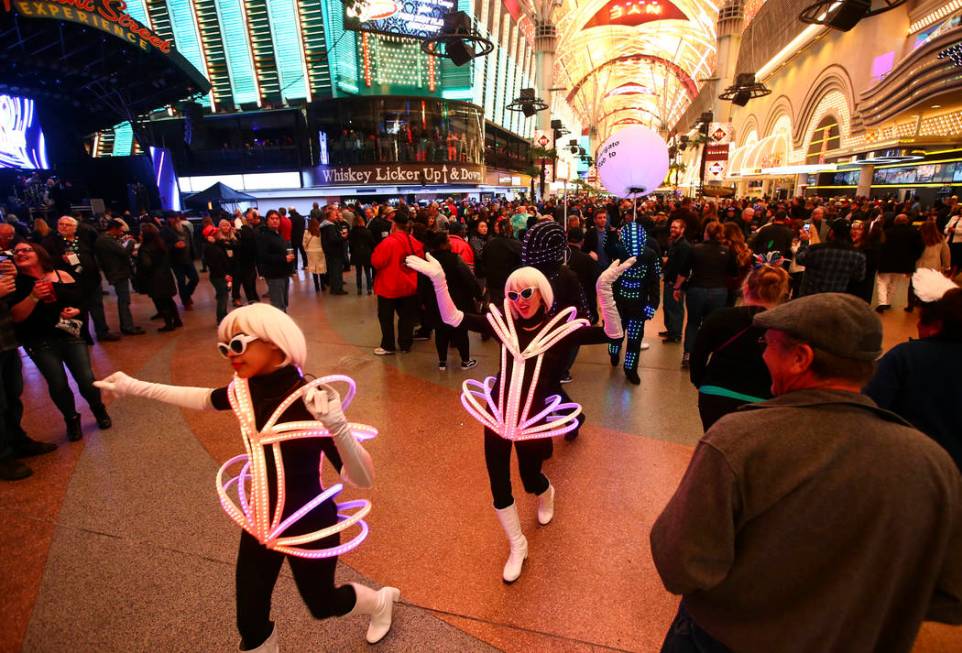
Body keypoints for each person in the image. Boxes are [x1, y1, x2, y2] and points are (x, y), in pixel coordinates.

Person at [652, 292, 962, 653]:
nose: (763, 355)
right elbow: (949, 595)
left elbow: (680, 564)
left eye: (769, 346)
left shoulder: (740, 440)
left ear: (801, 358)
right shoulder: (931, 464)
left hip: (723, 641)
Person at [93, 304, 401, 650]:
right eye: (224, 348)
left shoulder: (309, 401)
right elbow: (200, 398)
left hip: (308, 522)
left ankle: (380, 602)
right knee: (250, 620)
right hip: (260, 521)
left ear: (274, 343)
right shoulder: (243, 391)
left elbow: (361, 479)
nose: (230, 356)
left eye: (237, 345)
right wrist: (131, 384)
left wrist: (338, 425)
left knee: (323, 603)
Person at [407, 254, 633, 582]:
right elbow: (453, 318)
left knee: (530, 478)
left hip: (534, 422)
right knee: (499, 485)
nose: (520, 301)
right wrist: (439, 280)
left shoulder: (561, 330)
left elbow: (613, 335)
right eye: (513, 295)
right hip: (498, 417)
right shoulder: (503, 326)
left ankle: (546, 492)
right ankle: (517, 544)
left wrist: (604, 289)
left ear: (542, 293)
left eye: (527, 293)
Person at [9, 242, 111, 441]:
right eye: (16, 251)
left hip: (69, 334)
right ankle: (71, 419)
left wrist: (77, 310)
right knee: (57, 384)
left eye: (26, 250)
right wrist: (33, 296)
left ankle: (99, 410)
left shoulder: (60, 274)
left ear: (39, 254)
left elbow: (82, 299)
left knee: (86, 379)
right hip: (39, 341)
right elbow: (17, 317)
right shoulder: (16, 284)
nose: (20, 253)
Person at [865, 269, 962, 471]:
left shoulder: (906, 357)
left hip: (908, 463)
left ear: (935, 325)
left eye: (922, 319)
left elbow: (870, 406)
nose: (917, 325)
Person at [689, 261, 790, 431]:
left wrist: (702, 382)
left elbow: (697, 354)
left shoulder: (720, 317)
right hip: (763, 401)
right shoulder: (785, 326)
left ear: (745, 289)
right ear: (781, 294)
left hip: (716, 394)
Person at [0, 258, 57, 480]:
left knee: (13, 395)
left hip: (6, 340)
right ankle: (3, 457)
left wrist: (12, 278)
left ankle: (17, 441)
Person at [44, 216, 120, 342]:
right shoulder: (52, 242)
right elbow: (46, 261)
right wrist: (60, 259)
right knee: (76, 309)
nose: (63, 227)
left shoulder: (83, 239)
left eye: (67, 225)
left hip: (91, 280)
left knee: (97, 306)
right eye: (61, 224)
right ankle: (82, 336)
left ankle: (102, 332)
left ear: (75, 228)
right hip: (71, 283)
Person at [674, 221, 738, 369]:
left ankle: (688, 354)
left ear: (706, 233)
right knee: (711, 324)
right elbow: (734, 273)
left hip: (696, 290)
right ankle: (707, 356)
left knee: (693, 323)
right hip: (718, 291)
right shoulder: (727, 251)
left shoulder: (695, 249)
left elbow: (684, 272)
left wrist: (677, 287)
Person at [606, 221, 660, 385]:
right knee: (616, 336)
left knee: (635, 340)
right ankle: (614, 352)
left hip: (639, 305)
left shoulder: (650, 255)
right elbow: (610, 278)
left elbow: (654, 282)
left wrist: (652, 305)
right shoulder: (618, 251)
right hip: (619, 305)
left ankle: (630, 369)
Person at [417, 232, 480, 370]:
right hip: (457, 301)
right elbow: (468, 279)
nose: (450, 243)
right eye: (447, 241)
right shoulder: (455, 259)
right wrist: (477, 294)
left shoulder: (428, 261)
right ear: (442, 244)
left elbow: (421, 283)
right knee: (460, 331)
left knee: (440, 331)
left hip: (435, 302)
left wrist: (422, 301)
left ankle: (442, 362)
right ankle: (465, 361)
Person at [371, 210, 424, 355]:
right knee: (407, 318)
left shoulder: (388, 242)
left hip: (389, 288)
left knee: (386, 318)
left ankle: (388, 345)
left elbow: (376, 262)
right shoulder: (416, 243)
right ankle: (405, 345)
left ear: (394, 224)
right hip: (409, 286)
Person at [94, 219, 145, 336]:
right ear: (114, 229)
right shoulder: (106, 240)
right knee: (124, 300)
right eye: (120, 230)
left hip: (116, 272)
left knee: (124, 300)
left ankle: (127, 325)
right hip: (118, 273)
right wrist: (131, 243)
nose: (122, 232)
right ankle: (127, 326)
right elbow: (123, 252)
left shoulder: (105, 239)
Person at [796, 219, 866, 296]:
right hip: (835, 298)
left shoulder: (816, 249)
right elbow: (859, 277)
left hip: (811, 296)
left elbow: (799, 259)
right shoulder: (858, 255)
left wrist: (804, 242)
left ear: (831, 232)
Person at [137, 224, 182, 332]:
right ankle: (177, 320)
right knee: (169, 300)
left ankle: (168, 325)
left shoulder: (145, 248)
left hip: (155, 278)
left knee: (162, 302)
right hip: (166, 275)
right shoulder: (161, 244)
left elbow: (146, 264)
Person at [876, 214, 925, 312]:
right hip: (904, 264)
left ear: (895, 221)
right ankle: (888, 302)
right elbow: (920, 248)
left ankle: (882, 302)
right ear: (907, 221)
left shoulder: (888, 232)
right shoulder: (914, 232)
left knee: (882, 282)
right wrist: (913, 258)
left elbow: (880, 247)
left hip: (887, 262)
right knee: (894, 283)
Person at [908, 220, 951, 312]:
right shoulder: (940, 238)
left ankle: (911, 305)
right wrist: (947, 265)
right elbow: (946, 253)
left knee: (913, 285)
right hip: (934, 265)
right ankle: (926, 304)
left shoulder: (920, 238)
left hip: (920, 264)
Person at [256, 211, 295, 312]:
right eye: (272, 218)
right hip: (274, 275)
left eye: (277, 218)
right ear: (267, 221)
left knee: (284, 302)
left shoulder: (278, 234)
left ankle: (283, 323)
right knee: (278, 305)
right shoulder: (264, 236)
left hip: (283, 273)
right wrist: (283, 258)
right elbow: (263, 256)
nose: (275, 221)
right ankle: (279, 326)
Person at [660, 219, 690, 344]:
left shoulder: (684, 246)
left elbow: (683, 268)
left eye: (676, 228)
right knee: (667, 307)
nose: (672, 229)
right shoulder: (675, 243)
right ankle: (670, 329)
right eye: (672, 227)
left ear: (682, 230)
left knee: (675, 308)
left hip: (676, 283)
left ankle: (676, 334)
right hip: (669, 280)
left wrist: (677, 285)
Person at [160, 214, 199, 311]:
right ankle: (186, 301)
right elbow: (163, 246)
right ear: (168, 220)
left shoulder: (185, 228)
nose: (176, 220)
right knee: (181, 282)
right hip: (176, 261)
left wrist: (194, 253)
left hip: (188, 258)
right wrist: (174, 246)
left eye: (177, 218)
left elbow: (190, 241)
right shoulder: (165, 231)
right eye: (173, 218)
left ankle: (186, 295)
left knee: (195, 279)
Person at [203, 225, 232, 325]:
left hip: (220, 275)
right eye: (216, 233)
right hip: (218, 276)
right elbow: (214, 265)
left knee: (223, 296)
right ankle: (221, 319)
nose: (219, 233)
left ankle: (223, 316)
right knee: (222, 298)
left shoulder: (215, 245)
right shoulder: (210, 248)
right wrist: (225, 275)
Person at [233, 212, 260, 306]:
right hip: (250, 263)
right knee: (250, 282)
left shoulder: (241, 237)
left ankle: (251, 299)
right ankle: (253, 298)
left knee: (245, 282)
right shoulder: (251, 232)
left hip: (243, 264)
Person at [320, 210, 348, 295]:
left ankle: (333, 288)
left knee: (332, 271)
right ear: (329, 217)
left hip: (329, 252)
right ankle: (338, 289)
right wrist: (343, 237)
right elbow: (333, 239)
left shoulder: (324, 226)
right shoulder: (330, 227)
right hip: (335, 252)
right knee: (336, 271)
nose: (336, 216)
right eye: (334, 215)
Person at [349, 214, 374, 295]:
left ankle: (359, 289)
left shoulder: (352, 232)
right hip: (366, 253)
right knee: (367, 272)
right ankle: (369, 289)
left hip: (356, 253)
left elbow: (351, 244)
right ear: (362, 222)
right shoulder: (367, 231)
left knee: (358, 272)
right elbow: (372, 243)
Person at [303, 217, 328, 294]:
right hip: (320, 251)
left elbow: (304, 243)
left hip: (311, 252)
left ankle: (316, 287)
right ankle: (323, 286)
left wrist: (306, 249)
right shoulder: (320, 231)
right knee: (321, 268)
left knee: (314, 269)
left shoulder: (307, 232)